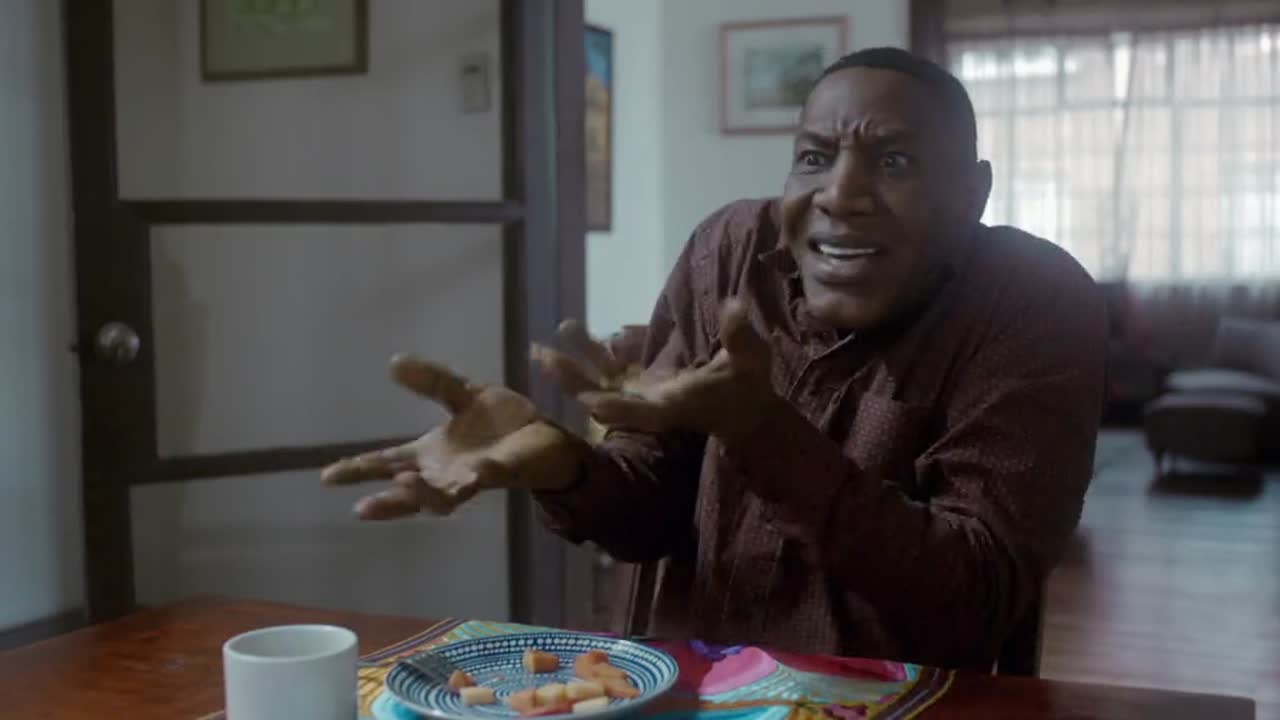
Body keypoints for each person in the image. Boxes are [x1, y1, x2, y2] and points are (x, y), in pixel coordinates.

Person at [321, 47, 1106, 670]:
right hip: (682, 688)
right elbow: (649, 515)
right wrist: (564, 466)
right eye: (814, 157)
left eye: (894, 162)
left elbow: (977, 600)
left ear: (973, 194)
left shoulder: (1030, 301)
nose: (841, 195)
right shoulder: (733, 251)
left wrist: (763, 432)